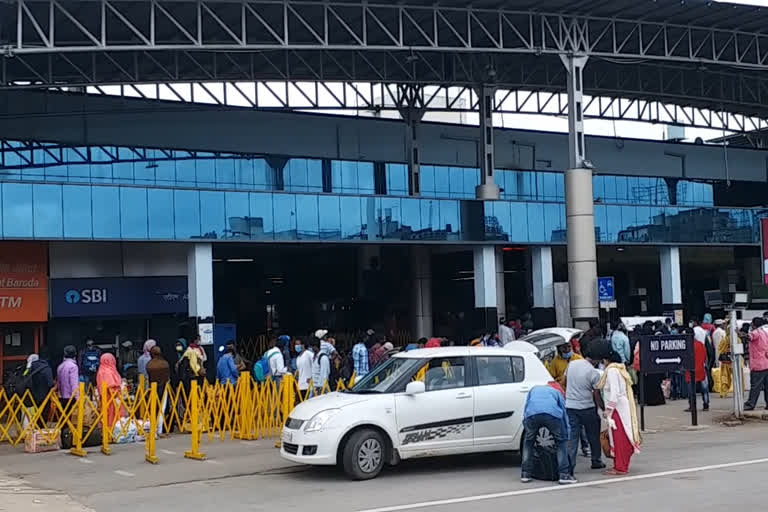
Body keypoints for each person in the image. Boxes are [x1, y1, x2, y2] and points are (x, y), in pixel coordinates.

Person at [564, 342, 606, 475]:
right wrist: (603, 408)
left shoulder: (572, 364)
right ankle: (596, 460)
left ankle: (569, 467)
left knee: (572, 437)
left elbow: (564, 381)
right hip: (587, 407)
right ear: (597, 359)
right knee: (593, 434)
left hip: (570, 406)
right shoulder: (593, 372)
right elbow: (596, 393)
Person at [598, 350, 642, 475]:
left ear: (607, 360)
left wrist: (608, 410)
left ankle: (620, 467)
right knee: (622, 436)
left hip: (617, 408)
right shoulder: (620, 369)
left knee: (619, 438)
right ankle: (621, 464)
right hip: (621, 406)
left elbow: (615, 392)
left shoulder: (612, 371)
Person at [520, 384, 574, 485]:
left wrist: (526, 423)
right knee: (560, 443)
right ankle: (564, 475)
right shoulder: (557, 393)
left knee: (528, 443)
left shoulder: (533, 389)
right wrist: (567, 433)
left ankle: (525, 473)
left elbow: (527, 406)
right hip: (552, 414)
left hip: (531, 414)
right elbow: (564, 413)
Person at [686, 318, 711, 412]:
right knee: (704, 388)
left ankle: (692, 406)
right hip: (701, 368)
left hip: (690, 369)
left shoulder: (687, 346)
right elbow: (706, 355)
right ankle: (706, 403)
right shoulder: (700, 344)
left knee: (691, 390)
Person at [745, 317, 768, 411]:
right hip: (766, 363)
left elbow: (748, 337)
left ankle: (750, 404)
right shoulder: (764, 333)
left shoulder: (756, 333)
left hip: (758, 365)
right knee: (767, 386)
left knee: (755, 386)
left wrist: (738, 333)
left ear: (754, 324)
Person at [96, 353, 123, 428]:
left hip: (104, 398)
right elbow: (111, 385)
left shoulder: (101, 370)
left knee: (106, 414)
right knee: (112, 415)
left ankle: (106, 431)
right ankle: (111, 431)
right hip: (111, 398)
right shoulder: (108, 371)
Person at [718, 319, 734, 398]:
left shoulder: (724, 339)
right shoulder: (736, 338)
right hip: (735, 361)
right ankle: (740, 392)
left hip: (725, 361)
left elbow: (720, 349)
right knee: (738, 377)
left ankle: (723, 392)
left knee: (725, 377)